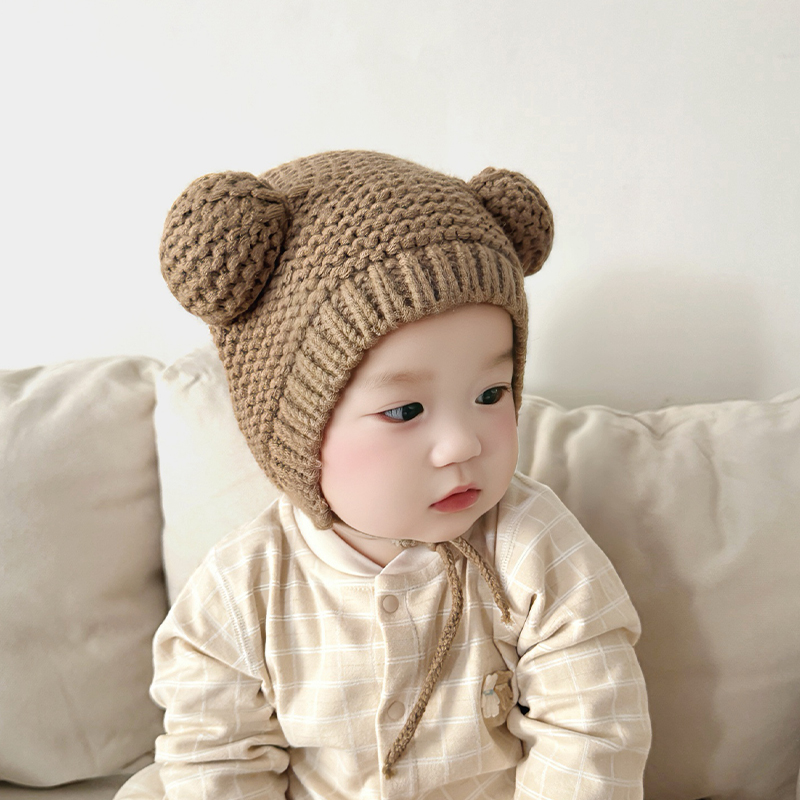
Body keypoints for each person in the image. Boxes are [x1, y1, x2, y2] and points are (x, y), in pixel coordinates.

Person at [116, 151, 650, 800]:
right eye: (404, 411)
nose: (461, 443)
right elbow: (215, 757)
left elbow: (593, 729)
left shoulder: (533, 546)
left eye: (490, 394)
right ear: (297, 436)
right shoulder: (245, 589)